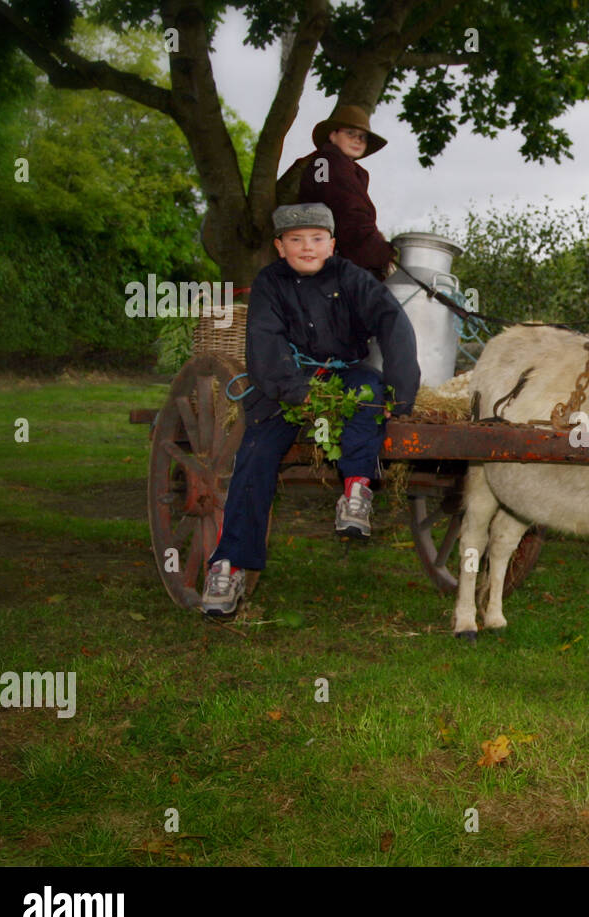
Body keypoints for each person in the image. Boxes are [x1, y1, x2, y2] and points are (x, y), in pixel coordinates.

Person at [201, 202, 421, 617]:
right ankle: (227, 564)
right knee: (256, 451)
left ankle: (356, 491)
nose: (307, 247)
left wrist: (402, 394)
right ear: (279, 246)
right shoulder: (269, 283)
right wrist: (293, 389)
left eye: (317, 239)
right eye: (296, 240)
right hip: (284, 382)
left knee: (368, 396)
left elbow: (393, 321)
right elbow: (264, 341)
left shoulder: (352, 278)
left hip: (345, 373)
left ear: (332, 244)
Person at [298, 105, 397, 281]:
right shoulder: (327, 161)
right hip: (330, 261)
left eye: (362, 137)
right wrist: (383, 253)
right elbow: (345, 214)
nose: (357, 140)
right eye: (350, 133)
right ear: (333, 135)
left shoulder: (349, 170)